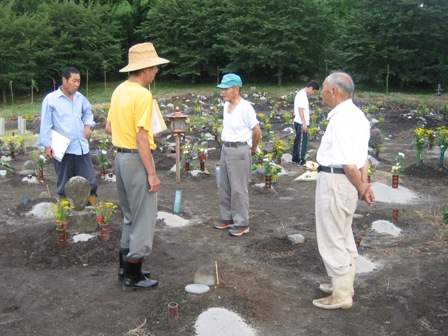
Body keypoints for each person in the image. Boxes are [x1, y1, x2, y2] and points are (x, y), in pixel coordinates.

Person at [106, 42, 168, 291]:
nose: (156, 73)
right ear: (145, 69)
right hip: (135, 158)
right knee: (144, 216)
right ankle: (134, 274)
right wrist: (152, 173)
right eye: (154, 68)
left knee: (130, 214)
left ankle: (124, 268)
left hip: (120, 159)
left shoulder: (119, 90)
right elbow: (143, 137)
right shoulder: (142, 95)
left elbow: (109, 128)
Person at [313, 71, 375, 310]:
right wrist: (363, 183)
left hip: (336, 180)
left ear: (335, 91)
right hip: (349, 181)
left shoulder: (341, 119)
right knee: (344, 231)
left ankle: (341, 295)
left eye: (324, 90)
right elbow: (363, 156)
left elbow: (347, 162)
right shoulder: (358, 116)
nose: (321, 95)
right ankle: (344, 283)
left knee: (332, 235)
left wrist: (361, 186)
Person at [38, 67, 98, 204]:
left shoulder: (80, 98)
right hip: (63, 148)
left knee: (90, 182)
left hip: (81, 146)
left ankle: (92, 210)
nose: (77, 84)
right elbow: (46, 123)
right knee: (64, 183)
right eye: (74, 81)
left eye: (79, 81)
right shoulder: (51, 99)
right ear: (64, 80)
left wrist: (88, 126)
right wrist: (47, 145)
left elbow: (88, 112)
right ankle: (65, 216)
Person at [213, 74, 261, 237]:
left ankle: (242, 223)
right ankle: (227, 218)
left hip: (240, 150)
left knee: (239, 188)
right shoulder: (226, 106)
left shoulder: (245, 107)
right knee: (225, 185)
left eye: (226, 89)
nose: (222, 92)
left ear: (236, 89)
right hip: (226, 148)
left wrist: (253, 149)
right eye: (222, 89)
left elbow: (257, 131)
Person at [292, 80, 320, 165]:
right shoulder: (302, 95)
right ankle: (301, 160)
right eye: (314, 91)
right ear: (311, 88)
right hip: (301, 122)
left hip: (299, 121)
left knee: (298, 140)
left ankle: (295, 158)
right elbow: (301, 110)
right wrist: (304, 123)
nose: (313, 93)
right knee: (302, 141)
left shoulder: (302, 94)